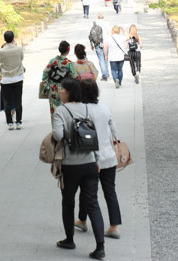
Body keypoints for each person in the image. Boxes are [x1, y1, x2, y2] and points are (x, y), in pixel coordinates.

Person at [52, 77, 105, 260]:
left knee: (68, 202)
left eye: (62, 90)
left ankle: (69, 240)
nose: (59, 92)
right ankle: (100, 247)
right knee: (93, 204)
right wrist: (97, 160)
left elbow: (58, 134)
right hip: (90, 163)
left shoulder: (61, 110)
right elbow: (94, 136)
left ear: (68, 92)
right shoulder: (88, 108)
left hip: (70, 165)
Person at [75, 79, 122, 240]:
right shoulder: (104, 108)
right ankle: (114, 226)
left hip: (91, 158)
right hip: (109, 156)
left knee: (87, 191)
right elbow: (113, 129)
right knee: (110, 191)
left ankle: (82, 219)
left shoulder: (82, 111)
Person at [42, 41, 77, 124]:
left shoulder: (52, 61)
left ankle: (56, 131)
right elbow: (74, 77)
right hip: (65, 90)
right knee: (65, 110)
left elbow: (45, 73)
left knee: (54, 111)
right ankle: (65, 129)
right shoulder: (69, 63)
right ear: (68, 50)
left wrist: (47, 86)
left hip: (53, 89)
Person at [0, 30, 24, 130]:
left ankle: (9, 123)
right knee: (18, 100)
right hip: (18, 77)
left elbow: (0, 61)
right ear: (13, 38)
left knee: (7, 102)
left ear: (4, 39)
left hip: (6, 79)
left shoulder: (1, 51)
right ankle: (19, 121)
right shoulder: (19, 49)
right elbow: (21, 59)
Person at [89, 13, 110, 81]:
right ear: (103, 17)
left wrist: (91, 44)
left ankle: (104, 75)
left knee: (101, 59)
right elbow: (109, 34)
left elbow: (91, 35)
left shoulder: (94, 23)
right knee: (106, 58)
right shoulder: (107, 23)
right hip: (106, 42)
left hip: (97, 43)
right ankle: (106, 73)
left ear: (97, 16)